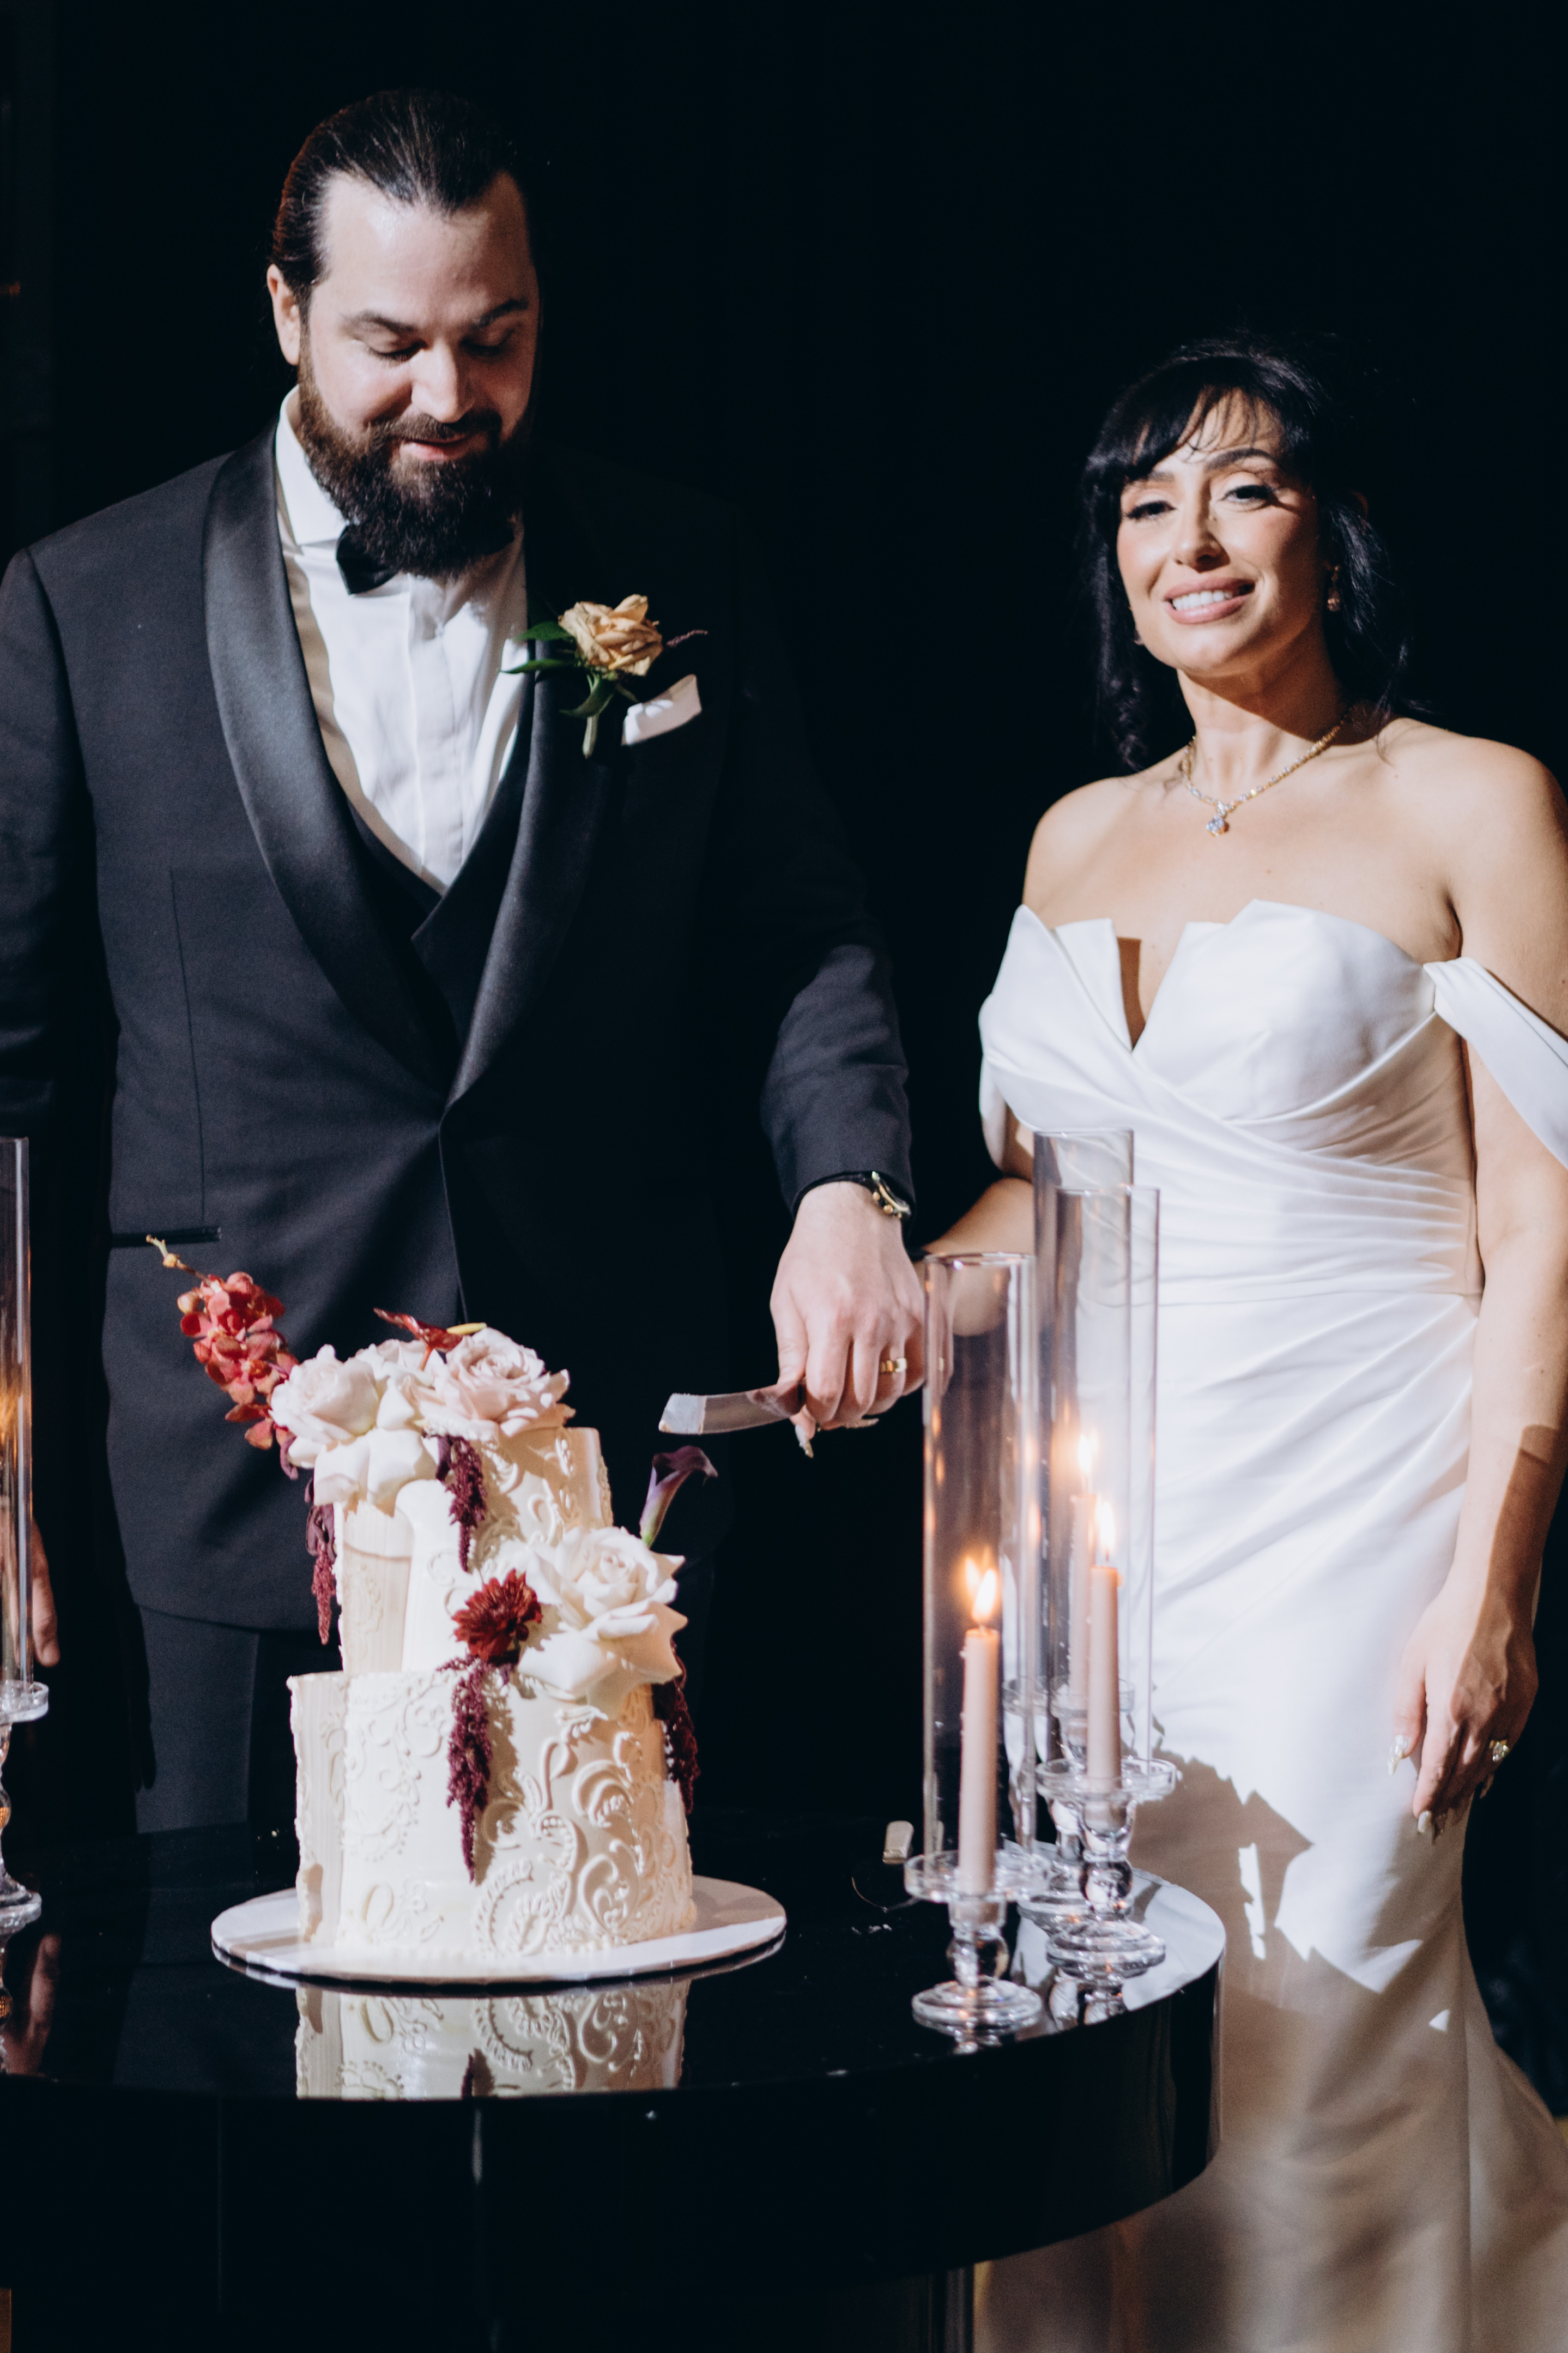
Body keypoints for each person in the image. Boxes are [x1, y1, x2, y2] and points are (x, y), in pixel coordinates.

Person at [0, 88, 921, 1837]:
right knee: (232, 1993)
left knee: (608, 1979)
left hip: (606, 1484)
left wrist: (848, 1186)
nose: (449, 394)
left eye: (495, 339)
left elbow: (799, 933)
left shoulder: (681, 566)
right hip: (230, 1497)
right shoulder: (76, 607)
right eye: (392, 344)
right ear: (286, 314)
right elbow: (13, 1083)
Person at [939, 334, 1568, 2350]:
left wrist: (1493, 1586)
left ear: (1335, 528)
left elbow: (1545, 1227)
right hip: (1111, 1551)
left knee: (1314, 2028)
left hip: (1363, 1518)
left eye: (1245, 489)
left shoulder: (1469, 801)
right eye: (1147, 503)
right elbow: (1047, 1200)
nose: (1190, 540)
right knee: (1093, 2028)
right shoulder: (1072, 838)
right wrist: (889, 1281)